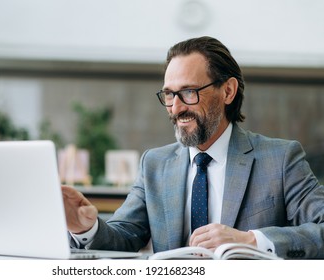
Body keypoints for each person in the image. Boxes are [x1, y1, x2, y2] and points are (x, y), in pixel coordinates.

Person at [61, 36, 324, 259]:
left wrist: (251, 240)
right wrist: (87, 228)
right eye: (168, 94)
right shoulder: (154, 164)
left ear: (228, 91)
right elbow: (124, 236)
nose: (176, 108)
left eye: (189, 92)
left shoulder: (280, 159)